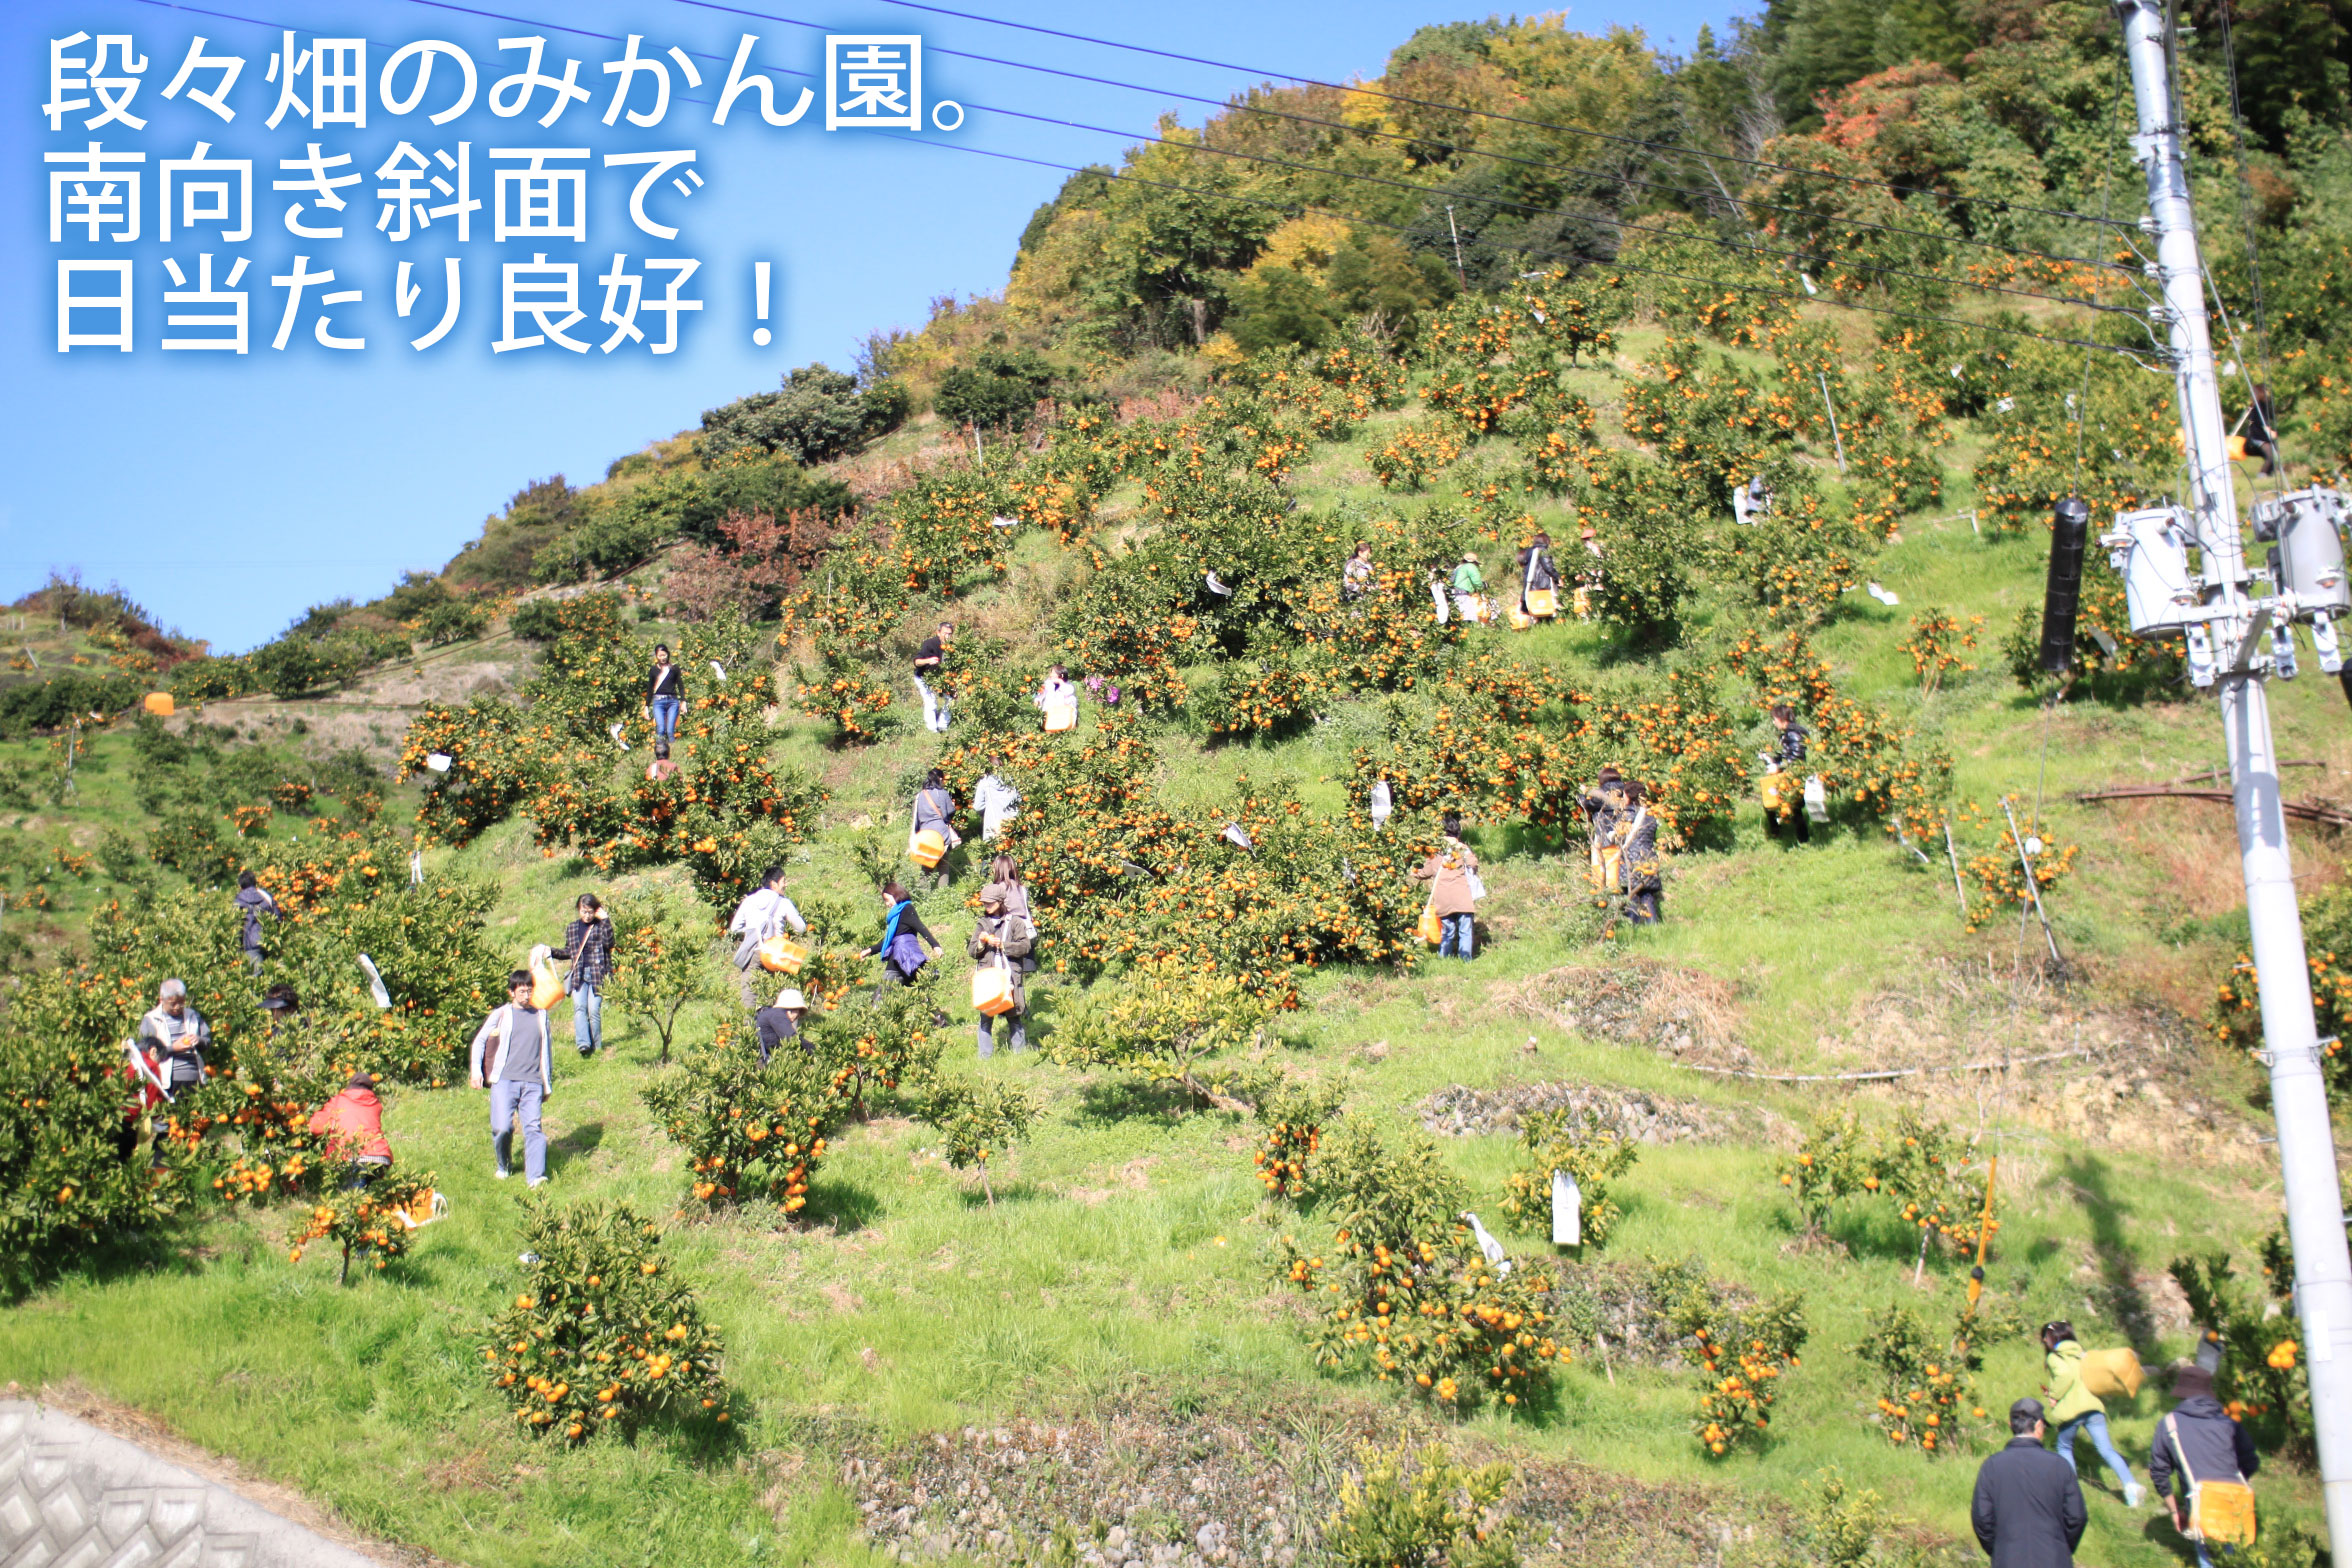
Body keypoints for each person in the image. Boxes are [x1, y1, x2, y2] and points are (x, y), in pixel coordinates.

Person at [2150, 1363, 2260, 1568]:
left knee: (2208, 1559)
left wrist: (2175, 1511)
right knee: (2236, 1559)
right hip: (2236, 1499)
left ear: (2182, 1393)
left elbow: (2159, 1471)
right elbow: (2251, 1461)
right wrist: (2230, 1479)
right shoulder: (2229, 1423)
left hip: (2202, 1500)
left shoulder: (2169, 1425)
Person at [1973, 1397, 2089, 1568]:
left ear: (2010, 1424)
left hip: (2008, 1559)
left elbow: (1982, 1519)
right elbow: (2076, 1516)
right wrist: (2061, 1546)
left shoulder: (1991, 1466)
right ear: (2039, 1426)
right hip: (2054, 1558)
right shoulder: (2059, 1465)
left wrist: (2000, 1549)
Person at [2041, 1321, 2143, 1504]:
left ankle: (2070, 1495)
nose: (2044, 1341)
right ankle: (2131, 1487)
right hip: (2093, 1408)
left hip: (2071, 1411)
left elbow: (2065, 1375)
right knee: (2107, 1450)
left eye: (2045, 1338)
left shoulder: (2054, 1357)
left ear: (2051, 1338)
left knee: (2064, 1447)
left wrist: (2054, 1395)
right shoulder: (2083, 1353)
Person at [469, 969, 554, 1186]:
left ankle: (536, 1176)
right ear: (511, 992)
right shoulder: (501, 1014)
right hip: (504, 1080)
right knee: (502, 1128)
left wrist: (547, 1084)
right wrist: (476, 1072)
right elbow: (479, 1041)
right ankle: (504, 1164)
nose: (527, 995)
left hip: (533, 1082)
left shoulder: (541, 1015)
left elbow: (547, 1050)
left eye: (529, 991)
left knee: (534, 1129)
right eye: (522, 991)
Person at [726, 864, 808, 1009]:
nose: (786, 885)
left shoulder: (749, 900)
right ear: (774, 884)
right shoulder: (783, 903)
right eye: (784, 882)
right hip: (776, 952)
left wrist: (751, 931)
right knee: (775, 992)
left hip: (754, 951)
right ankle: (774, 1024)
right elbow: (801, 928)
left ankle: (749, 1026)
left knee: (749, 993)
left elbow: (734, 928)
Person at [968, 885, 1036, 1056]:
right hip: (989, 977)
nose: (987, 906)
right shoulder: (982, 924)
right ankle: (985, 1057)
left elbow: (1025, 946)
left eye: (990, 903)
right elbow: (972, 951)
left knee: (1013, 1016)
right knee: (986, 1017)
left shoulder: (1015, 922)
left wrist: (1004, 945)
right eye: (984, 903)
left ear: (1000, 902)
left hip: (1009, 976)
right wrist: (982, 943)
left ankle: (1019, 1055)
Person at [1410, 812, 1481, 961]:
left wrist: (1414, 873)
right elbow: (1473, 863)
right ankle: (1465, 960)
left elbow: (1426, 872)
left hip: (1443, 897)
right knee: (1465, 930)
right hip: (1462, 896)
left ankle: (1444, 959)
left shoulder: (1435, 850)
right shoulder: (1461, 847)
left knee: (1447, 931)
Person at [551, 892, 613, 1056]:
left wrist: (605, 920)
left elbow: (609, 943)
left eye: (590, 912)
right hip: (578, 975)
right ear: (578, 910)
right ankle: (583, 1045)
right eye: (583, 911)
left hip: (597, 974)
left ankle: (597, 1046)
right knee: (579, 1008)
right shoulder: (572, 928)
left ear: (596, 910)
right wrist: (550, 951)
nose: (587, 915)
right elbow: (569, 951)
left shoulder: (601, 926)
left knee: (593, 1011)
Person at [307, 1070, 393, 1188]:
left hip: (354, 1156)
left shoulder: (338, 1101)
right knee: (369, 1200)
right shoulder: (375, 1104)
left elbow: (316, 1127)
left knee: (353, 1200)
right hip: (380, 1158)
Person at [865, 883, 941, 991]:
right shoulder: (896, 915)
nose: (887, 904)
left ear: (895, 894)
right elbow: (890, 939)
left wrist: (935, 945)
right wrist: (869, 950)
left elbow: (920, 927)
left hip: (904, 954)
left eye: (887, 899)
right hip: (898, 956)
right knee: (914, 989)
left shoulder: (906, 909)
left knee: (884, 992)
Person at [1615, 779, 1662, 925]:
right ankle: (1653, 926)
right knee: (1647, 895)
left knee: (1632, 896)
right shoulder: (1651, 817)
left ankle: (1633, 927)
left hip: (1630, 859)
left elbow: (1618, 837)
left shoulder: (1626, 816)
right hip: (1648, 858)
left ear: (1628, 795)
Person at [1764, 703, 1812, 844]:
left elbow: (1796, 756)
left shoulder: (1793, 733)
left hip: (1794, 775)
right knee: (1775, 804)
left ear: (1781, 718)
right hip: (1789, 774)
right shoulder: (1787, 734)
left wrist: (1779, 767)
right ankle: (1783, 834)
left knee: (1792, 807)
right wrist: (1772, 759)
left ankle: (1801, 840)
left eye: (1774, 719)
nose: (1774, 722)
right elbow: (1786, 754)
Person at [911, 768, 961, 889]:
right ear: (940, 779)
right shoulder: (942, 793)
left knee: (926, 866)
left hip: (925, 833)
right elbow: (949, 811)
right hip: (941, 833)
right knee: (943, 866)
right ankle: (943, 893)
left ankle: (922, 892)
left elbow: (915, 816)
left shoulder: (919, 795)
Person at [233, 870, 281, 975]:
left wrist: (238, 947)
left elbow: (236, 925)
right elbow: (278, 918)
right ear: (255, 882)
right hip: (270, 941)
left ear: (241, 885)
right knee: (273, 975)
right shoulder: (266, 896)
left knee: (256, 979)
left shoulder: (238, 900)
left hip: (251, 944)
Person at [914, 621, 955, 733]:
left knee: (951, 699)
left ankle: (943, 725)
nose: (947, 636)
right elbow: (917, 662)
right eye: (945, 633)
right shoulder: (929, 644)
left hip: (941, 678)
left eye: (950, 634)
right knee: (931, 701)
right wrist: (928, 660)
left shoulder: (951, 647)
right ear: (938, 632)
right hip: (923, 677)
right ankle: (932, 728)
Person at [753, 987, 810, 1065]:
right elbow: (792, 1038)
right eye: (798, 1012)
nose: (798, 1015)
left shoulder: (770, 1013)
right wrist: (816, 1051)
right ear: (791, 1009)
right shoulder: (777, 1015)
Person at [974, 757, 1022, 843]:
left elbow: (978, 806)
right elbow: (1019, 801)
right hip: (1013, 824)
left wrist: (984, 813)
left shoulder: (984, 783)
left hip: (994, 826)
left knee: (996, 851)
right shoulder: (1012, 781)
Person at [645, 644, 684, 745]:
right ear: (656, 656)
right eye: (660, 655)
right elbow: (650, 688)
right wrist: (646, 706)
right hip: (658, 701)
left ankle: (673, 751)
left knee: (670, 730)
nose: (662, 658)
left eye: (664, 655)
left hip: (672, 701)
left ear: (668, 654)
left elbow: (680, 685)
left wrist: (683, 700)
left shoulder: (674, 669)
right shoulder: (653, 670)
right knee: (661, 729)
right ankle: (660, 752)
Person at [1517, 531, 1558, 615]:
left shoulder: (1528, 552)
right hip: (1543, 583)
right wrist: (1557, 577)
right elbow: (1548, 567)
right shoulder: (1543, 551)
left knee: (1534, 609)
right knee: (1545, 609)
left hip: (1530, 584)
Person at [2242, 385, 2278, 478]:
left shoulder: (2261, 405)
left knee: (2271, 456)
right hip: (2258, 435)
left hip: (2260, 435)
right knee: (2270, 456)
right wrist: (2268, 430)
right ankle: (2262, 475)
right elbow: (2258, 422)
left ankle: (2268, 474)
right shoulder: (2258, 406)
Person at [984, 855, 1032, 923]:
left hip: (1011, 927)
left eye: (994, 868)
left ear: (998, 869)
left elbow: (994, 913)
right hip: (1026, 927)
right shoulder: (1021, 888)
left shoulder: (1000, 888)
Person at [1449, 552, 1485, 623]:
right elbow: (1477, 581)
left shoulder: (1459, 567)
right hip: (1463, 595)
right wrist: (1482, 586)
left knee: (1458, 619)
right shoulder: (1470, 566)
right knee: (1469, 618)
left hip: (1454, 594)